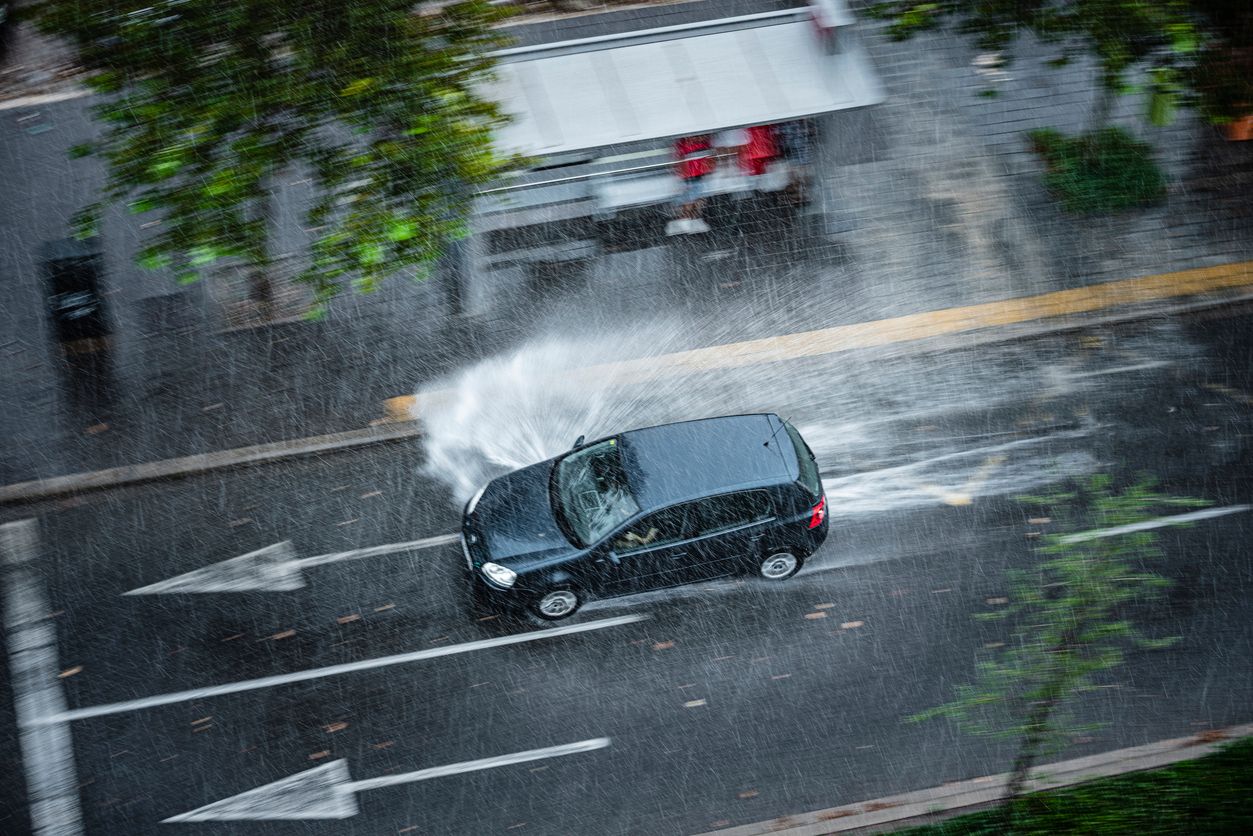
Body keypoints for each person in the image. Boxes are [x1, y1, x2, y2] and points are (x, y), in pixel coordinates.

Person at [668, 134, 715, 235]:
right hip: (691, 176)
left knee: (694, 199)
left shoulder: (701, 143)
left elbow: (709, 158)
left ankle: (687, 220)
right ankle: (685, 220)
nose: (700, 138)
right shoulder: (685, 144)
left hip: (697, 175)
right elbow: (680, 160)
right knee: (691, 199)